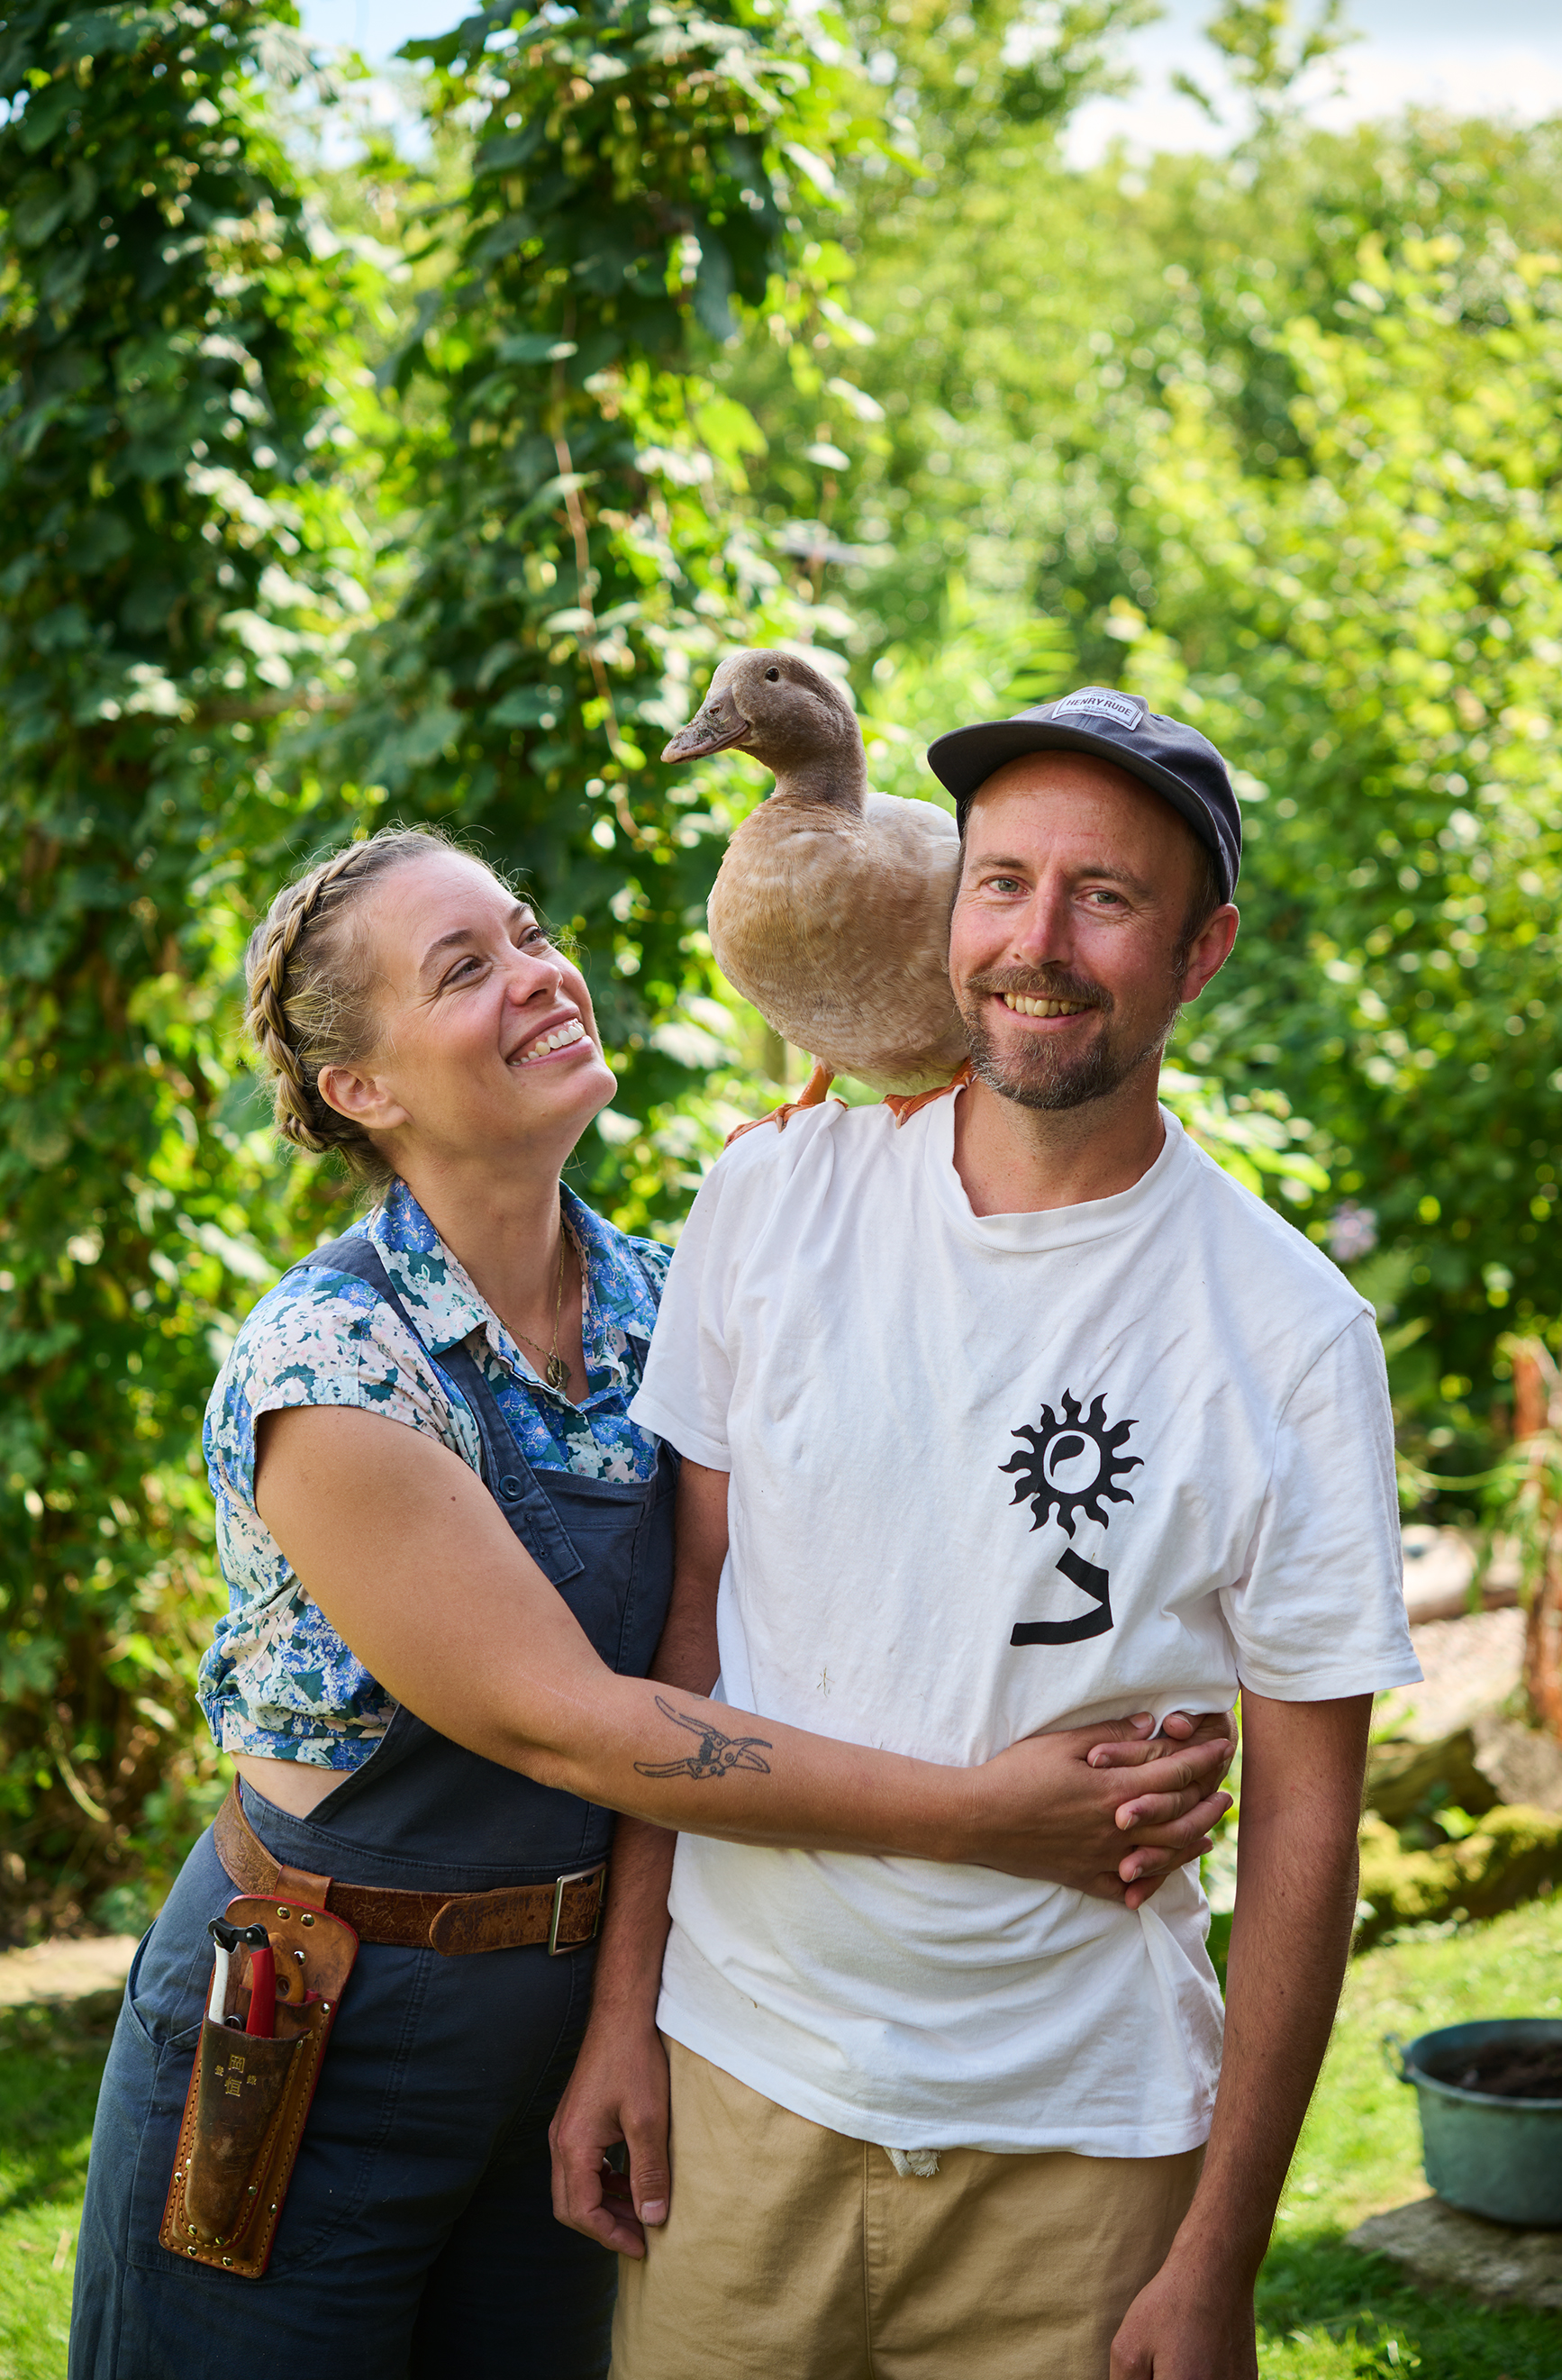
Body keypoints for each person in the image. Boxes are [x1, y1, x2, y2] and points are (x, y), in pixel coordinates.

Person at [70, 822, 1237, 2380]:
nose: (540, 973)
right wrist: (982, 1811)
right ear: (362, 1088)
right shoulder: (330, 1370)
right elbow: (581, 1727)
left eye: (528, 930)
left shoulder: (659, 1298)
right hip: (317, 2037)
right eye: (464, 968)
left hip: (574, 2028)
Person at [549, 686, 1421, 2380]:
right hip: (739, 2096)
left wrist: (1220, 2252)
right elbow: (694, 1625)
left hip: (1083, 2150)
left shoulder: (1290, 1335)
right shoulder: (770, 1199)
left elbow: (1312, 1820)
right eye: (1000, 879)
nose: (1037, 940)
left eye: (1105, 895)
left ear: (1202, 949)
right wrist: (620, 2017)